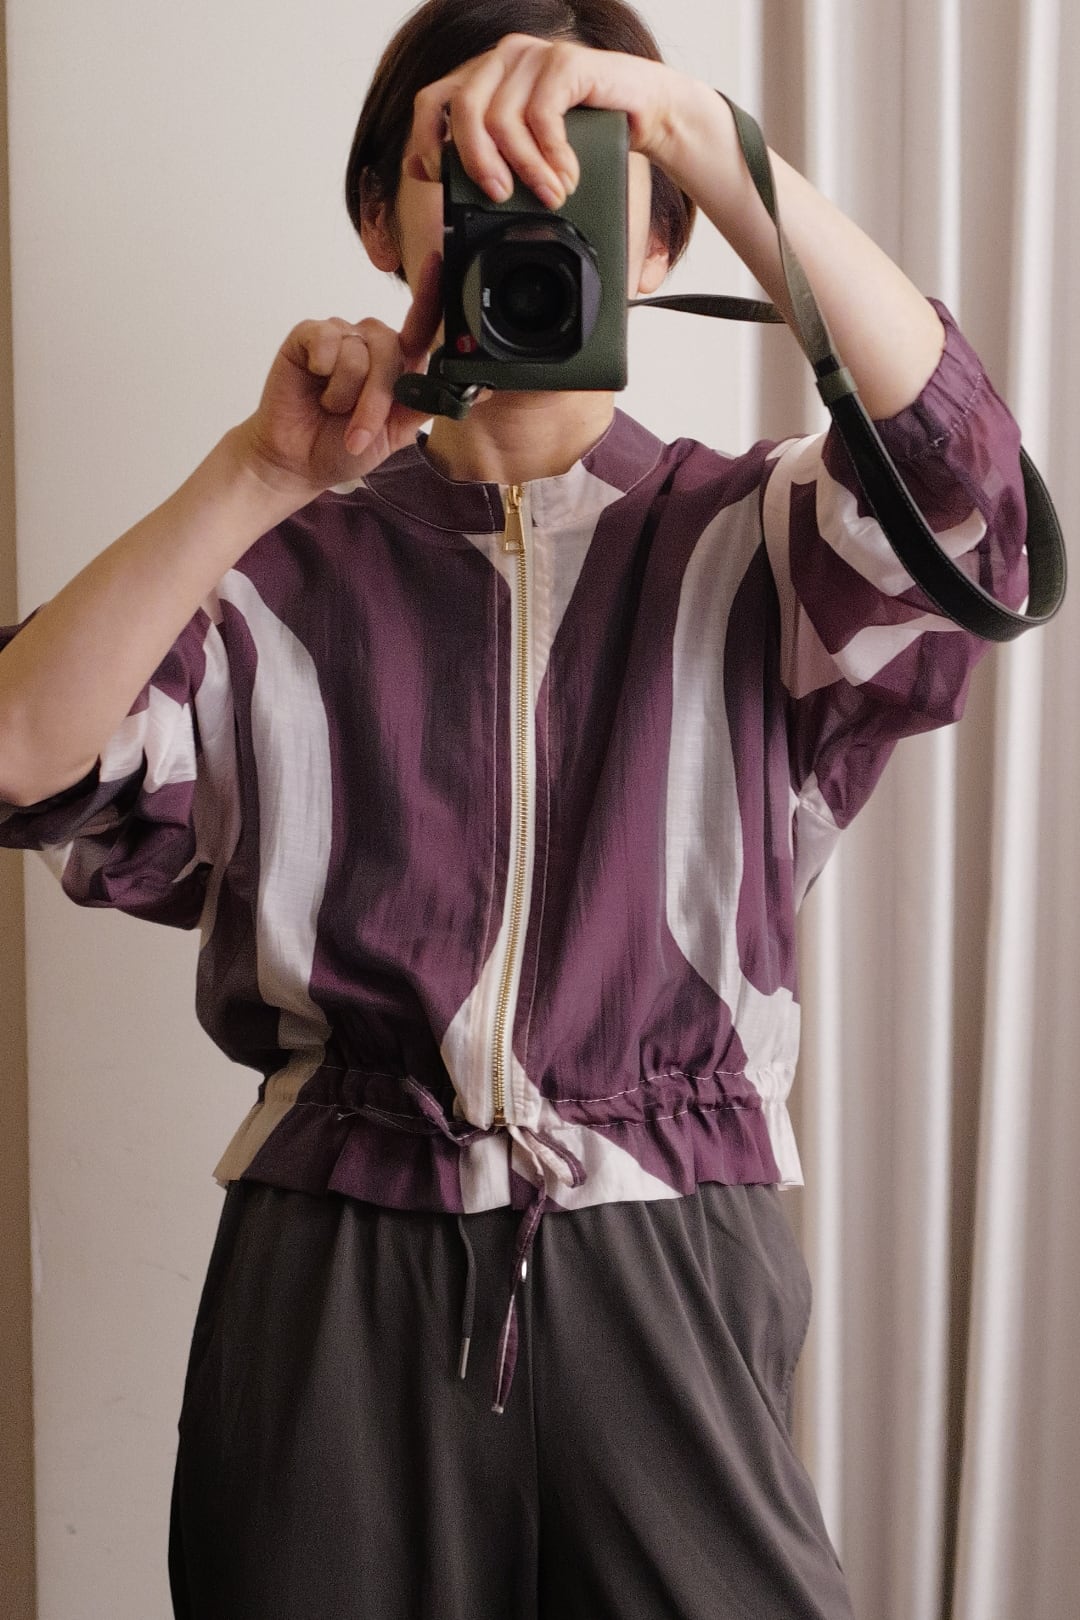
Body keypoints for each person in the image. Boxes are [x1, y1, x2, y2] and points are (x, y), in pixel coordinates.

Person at [0, 1, 1028, 1616]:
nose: (528, 193)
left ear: (665, 230)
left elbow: (969, 502)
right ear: (381, 218)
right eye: (459, 161)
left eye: (585, 161)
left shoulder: (755, 544)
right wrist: (260, 474)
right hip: (334, 1273)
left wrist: (698, 129)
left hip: (668, 1255)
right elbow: (20, 752)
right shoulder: (275, 571)